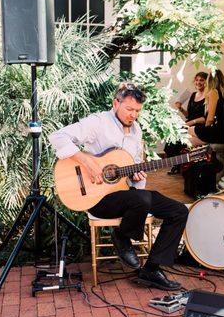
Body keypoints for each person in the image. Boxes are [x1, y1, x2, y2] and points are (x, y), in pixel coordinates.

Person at [48, 82, 188, 291]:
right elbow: (57, 137)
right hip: (97, 198)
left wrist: (137, 175)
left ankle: (151, 269)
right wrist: (88, 162)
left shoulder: (136, 131)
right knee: (141, 199)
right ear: (116, 103)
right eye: (129, 109)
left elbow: (131, 178)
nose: (133, 115)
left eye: (137, 111)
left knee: (178, 211)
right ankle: (122, 238)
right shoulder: (98, 123)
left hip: (124, 195)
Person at [165, 72, 208, 174]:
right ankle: (176, 164)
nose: (198, 82)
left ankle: (181, 165)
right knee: (170, 139)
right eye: (197, 80)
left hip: (199, 126)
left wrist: (190, 123)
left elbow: (205, 117)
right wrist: (180, 108)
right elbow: (189, 115)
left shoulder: (208, 96)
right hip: (189, 123)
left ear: (206, 82)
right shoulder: (193, 95)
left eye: (201, 80)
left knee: (179, 141)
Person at [188, 69, 224, 145]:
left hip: (217, 132)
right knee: (187, 139)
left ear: (210, 80)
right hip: (222, 131)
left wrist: (204, 131)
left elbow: (210, 119)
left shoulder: (213, 92)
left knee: (185, 131)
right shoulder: (223, 93)